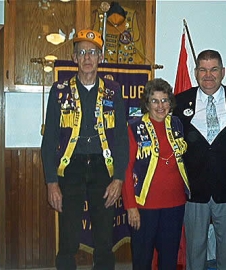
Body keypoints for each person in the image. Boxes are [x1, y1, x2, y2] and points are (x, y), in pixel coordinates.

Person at [41, 29, 129, 270]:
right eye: (82, 53)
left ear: (100, 57)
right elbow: (49, 140)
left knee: (104, 238)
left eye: (92, 52)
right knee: (68, 238)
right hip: (71, 169)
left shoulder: (113, 91)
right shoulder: (59, 91)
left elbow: (121, 138)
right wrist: (51, 182)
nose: (87, 58)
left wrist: (119, 178)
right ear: (74, 58)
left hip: (104, 168)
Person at [173, 49, 226, 270]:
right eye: (203, 70)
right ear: (196, 72)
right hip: (194, 191)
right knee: (195, 252)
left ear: (223, 72)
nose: (209, 75)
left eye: (214, 69)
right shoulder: (180, 101)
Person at [122, 78, 190, 269]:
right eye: (155, 100)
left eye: (165, 100)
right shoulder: (134, 127)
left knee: (169, 259)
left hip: (175, 204)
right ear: (147, 103)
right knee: (142, 259)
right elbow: (126, 169)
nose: (160, 106)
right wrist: (130, 206)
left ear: (170, 102)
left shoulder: (177, 124)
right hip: (145, 207)